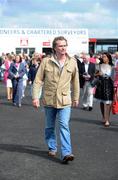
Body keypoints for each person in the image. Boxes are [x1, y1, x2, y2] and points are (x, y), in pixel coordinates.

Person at [32, 36, 80, 164]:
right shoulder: (46, 61)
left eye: (65, 45)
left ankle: (66, 152)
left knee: (64, 125)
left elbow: (75, 82)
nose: (63, 47)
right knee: (49, 126)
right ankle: (52, 146)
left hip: (65, 100)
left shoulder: (72, 62)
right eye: (60, 45)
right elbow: (38, 80)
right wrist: (35, 97)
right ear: (54, 48)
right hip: (49, 99)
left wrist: (76, 97)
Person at [94, 52, 114, 127]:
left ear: (108, 57)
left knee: (108, 102)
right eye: (102, 57)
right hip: (101, 85)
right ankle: (104, 116)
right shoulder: (99, 65)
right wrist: (98, 74)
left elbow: (114, 76)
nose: (103, 58)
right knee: (102, 102)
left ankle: (107, 119)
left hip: (109, 84)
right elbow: (94, 74)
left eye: (105, 56)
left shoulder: (112, 66)